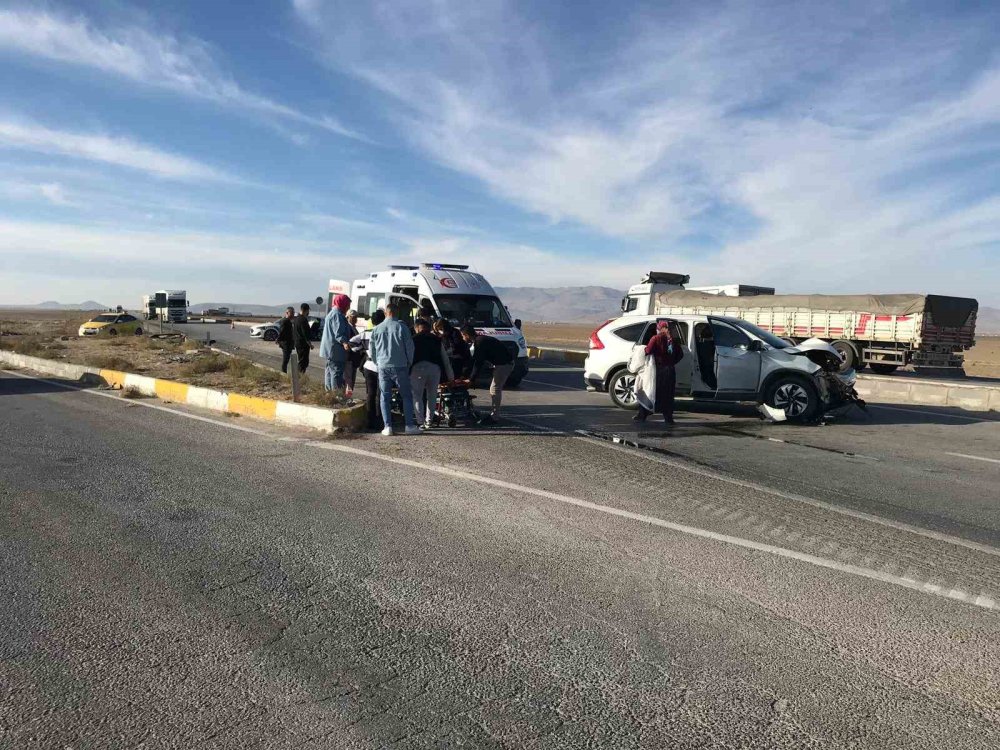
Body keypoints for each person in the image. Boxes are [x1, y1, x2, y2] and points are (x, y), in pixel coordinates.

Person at [369, 303, 420, 436]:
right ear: (397, 313)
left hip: (382, 366)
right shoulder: (402, 327)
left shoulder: (377, 329)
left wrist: (377, 362)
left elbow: (372, 350)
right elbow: (410, 347)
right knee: (406, 396)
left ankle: (388, 427)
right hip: (400, 366)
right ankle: (409, 425)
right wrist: (409, 362)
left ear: (386, 312)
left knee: (384, 396)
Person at [461, 324, 514, 426]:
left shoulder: (479, 342)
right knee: (494, 389)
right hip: (501, 364)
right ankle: (494, 415)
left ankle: (494, 417)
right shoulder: (479, 340)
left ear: (466, 335)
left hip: (504, 365)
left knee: (495, 389)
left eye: (463, 336)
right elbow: (474, 361)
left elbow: (478, 363)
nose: (463, 338)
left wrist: (471, 379)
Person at [634, 320, 685, 424]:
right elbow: (680, 355)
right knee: (668, 395)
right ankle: (668, 418)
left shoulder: (655, 338)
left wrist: (641, 350)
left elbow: (648, 351)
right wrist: (672, 362)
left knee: (651, 392)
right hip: (670, 371)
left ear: (658, 328)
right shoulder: (673, 340)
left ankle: (643, 414)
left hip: (657, 371)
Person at [411, 318, 454, 428]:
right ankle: (429, 421)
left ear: (416, 328)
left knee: (417, 396)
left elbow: (408, 357)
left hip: (417, 369)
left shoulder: (413, 339)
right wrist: (450, 377)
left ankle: (420, 422)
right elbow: (445, 359)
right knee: (432, 395)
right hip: (434, 369)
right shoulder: (436, 339)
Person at [351, 309, 385, 430]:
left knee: (370, 394)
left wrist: (362, 349)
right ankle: (380, 421)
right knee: (381, 394)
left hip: (368, 366)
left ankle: (370, 421)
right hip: (381, 366)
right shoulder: (384, 333)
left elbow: (352, 343)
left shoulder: (366, 333)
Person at [319, 294, 352, 391]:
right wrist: (345, 343)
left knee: (329, 372)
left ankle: (329, 394)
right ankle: (336, 395)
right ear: (343, 304)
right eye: (347, 305)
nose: (348, 308)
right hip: (335, 351)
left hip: (330, 350)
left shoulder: (332, 313)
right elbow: (339, 333)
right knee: (336, 373)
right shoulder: (337, 315)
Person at [343, 310, 362, 397]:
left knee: (351, 379)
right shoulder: (348, 328)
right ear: (349, 317)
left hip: (354, 359)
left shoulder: (353, 327)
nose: (355, 319)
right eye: (353, 317)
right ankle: (347, 397)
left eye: (356, 317)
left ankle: (348, 396)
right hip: (349, 358)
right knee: (349, 380)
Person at [292, 303, 314, 374]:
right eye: (308, 311)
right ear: (306, 310)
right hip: (303, 344)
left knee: (301, 360)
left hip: (297, 343)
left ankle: (298, 377)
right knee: (303, 362)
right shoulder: (303, 320)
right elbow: (305, 334)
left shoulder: (296, 319)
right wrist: (310, 344)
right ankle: (299, 378)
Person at [276, 306, 295, 373]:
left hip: (288, 343)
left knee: (286, 359)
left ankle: (284, 372)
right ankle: (283, 373)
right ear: (287, 313)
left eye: (293, 312)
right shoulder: (285, 321)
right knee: (285, 359)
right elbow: (282, 331)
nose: (293, 314)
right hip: (286, 343)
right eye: (292, 313)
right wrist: (278, 339)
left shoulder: (289, 321)